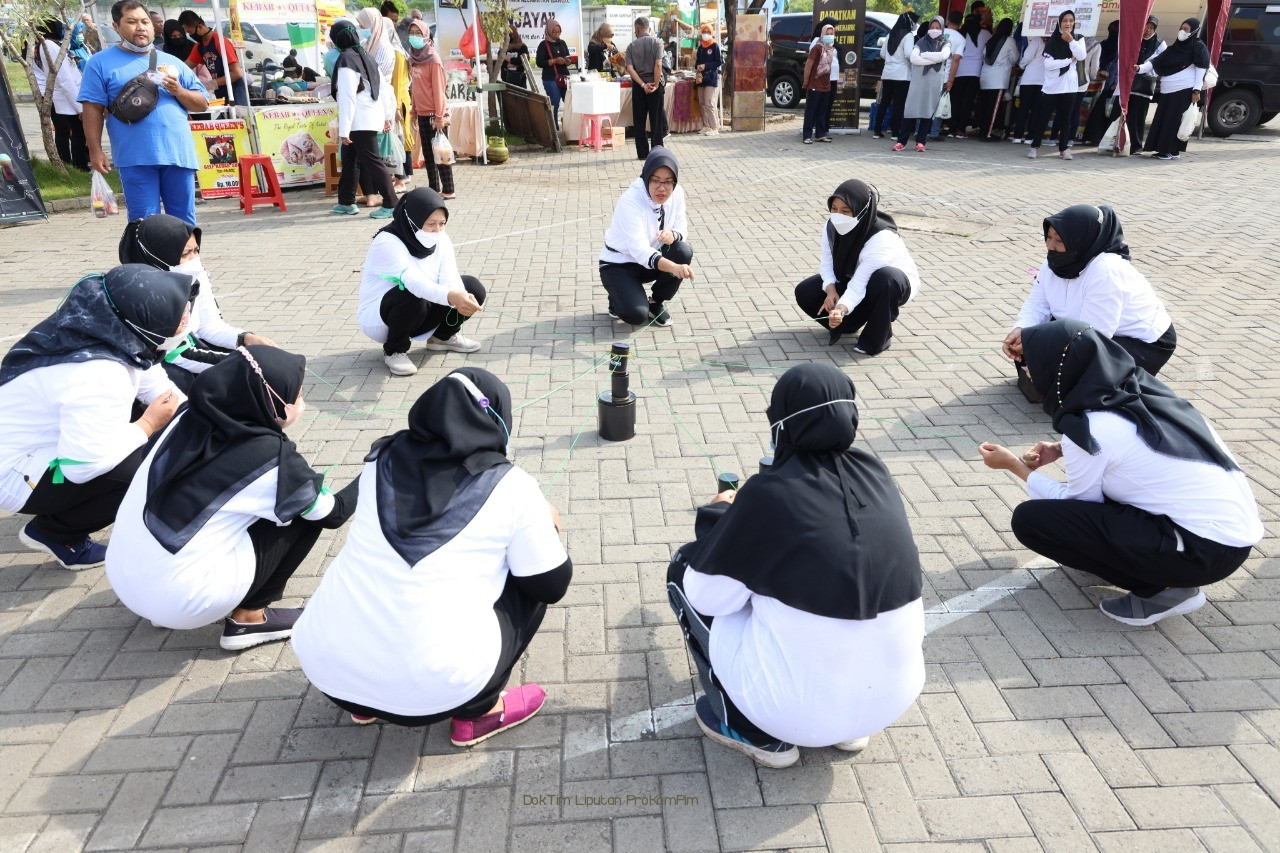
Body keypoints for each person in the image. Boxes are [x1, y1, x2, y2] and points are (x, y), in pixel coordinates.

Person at [668, 363, 924, 767]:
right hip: (892, 701)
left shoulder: (769, 493)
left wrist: (724, 520)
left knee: (683, 569)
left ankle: (749, 730)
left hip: (797, 717)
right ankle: (850, 729)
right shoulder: (877, 474)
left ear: (781, 425)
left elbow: (706, 596)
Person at [293, 369, 571, 735]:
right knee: (536, 571)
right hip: (435, 691)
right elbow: (552, 586)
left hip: (325, 669)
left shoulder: (380, 459)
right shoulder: (512, 485)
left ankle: (362, 706)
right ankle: (479, 712)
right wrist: (547, 526)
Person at [980, 321, 1263, 627]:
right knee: (1099, 506)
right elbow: (1133, 443)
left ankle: (1160, 591)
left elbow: (1077, 505)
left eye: (1031, 364)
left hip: (1203, 551)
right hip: (1230, 536)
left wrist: (1015, 466)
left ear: (1057, 369)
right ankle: (1143, 561)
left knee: (1031, 521)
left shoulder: (1088, 430)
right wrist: (1061, 449)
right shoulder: (1140, 388)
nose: (1027, 372)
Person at [106, 346, 358, 650]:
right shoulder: (268, 457)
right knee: (301, 507)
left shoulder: (188, 415)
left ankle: (162, 607)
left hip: (123, 578)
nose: (299, 402)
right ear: (270, 401)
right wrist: (378, 470)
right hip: (183, 601)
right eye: (296, 395)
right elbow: (333, 514)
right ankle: (249, 619)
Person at [0, 266, 191, 569]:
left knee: (162, 432)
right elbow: (81, 466)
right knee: (147, 468)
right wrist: (147, 425)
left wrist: (204, 422)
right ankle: (57, 534)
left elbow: (159, 388)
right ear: (145, 317)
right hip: (13, 474)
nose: (185, 324)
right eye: (178, 318)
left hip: (35, 443)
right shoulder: (99, 373)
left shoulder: (103, 328)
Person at [1002, 204, 1176, 379]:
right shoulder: (1052, 264)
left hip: (1141, 342)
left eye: (1060, 240)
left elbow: (1094, 336)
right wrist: (1021, 330)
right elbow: (1037, 305)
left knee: (1079, 376)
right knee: (1030, 350)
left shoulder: (1106, 272)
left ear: (1080, 240)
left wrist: (1045, 357)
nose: (1050, 246)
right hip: (1086, 330)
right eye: (1048, 237)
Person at [78, 0, 209, 226]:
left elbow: (202, 103)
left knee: (184, 223)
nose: (140, 27)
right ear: (116, 26)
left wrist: (178, 90)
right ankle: (147, 252)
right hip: (134, 157)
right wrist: (95, 150)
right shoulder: (100, 63)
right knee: (144, 223)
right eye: (132, 22)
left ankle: (185, 252)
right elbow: (92, 108)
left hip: (178, 154)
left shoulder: (172, 62)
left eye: (145, 22)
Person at [118, 214, 278, 392]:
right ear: (158, 256)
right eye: (185, 254)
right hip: (151, 360)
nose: (194, 260)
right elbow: (178, 353)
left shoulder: (193, 274)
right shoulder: (145, 292)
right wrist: (244, 363)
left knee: (249, 358)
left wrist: (245, 338)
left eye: (196, 250)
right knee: (183, 379)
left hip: (186, 346)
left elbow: (209, 326)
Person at [358, 189, 485, 376]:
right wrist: (451, 296)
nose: (438, 229)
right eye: (431, 224)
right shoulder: (386, 241)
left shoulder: (441, 237)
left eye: (442, 223)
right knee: (411, 295)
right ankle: (394, 350)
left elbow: (449, 274)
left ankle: (442, 337)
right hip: (383, 316)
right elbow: (412, 280)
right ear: (413, 219)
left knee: (472, 288)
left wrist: (460, 296)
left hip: (422, 304)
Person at [794, 179, 921, 354]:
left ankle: (876, 339)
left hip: (890, 284)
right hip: (854, 278)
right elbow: (827, 265)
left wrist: (840, 308)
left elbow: (859, 284)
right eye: (834, 209)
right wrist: (830, 291)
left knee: (884, 278)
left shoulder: (882, 238)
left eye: (845, 211)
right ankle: (847, 324)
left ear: (861, 210)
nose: (838, 215)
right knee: (805, 291)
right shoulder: (831, 227)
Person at [599, 148, 694, 327]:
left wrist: (672, 234)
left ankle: (656, 302)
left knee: (683, 250)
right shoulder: (631, 200)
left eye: (668, 181)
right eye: (655, 180)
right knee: (636, 315)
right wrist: (673, 268)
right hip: (619, 264)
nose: (662, 188)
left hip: (648, 262)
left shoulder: (677, 192)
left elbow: (682, 228)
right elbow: (640, 251)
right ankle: (616, 297)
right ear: (646, 177)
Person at [330, 19, 397, 219]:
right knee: (350, 160)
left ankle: (391, 203)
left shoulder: (346, 60)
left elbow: (347, 97)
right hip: (369, 115)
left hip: (359, 120)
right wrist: (386, 115)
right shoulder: (365, 55)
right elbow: (384, 89)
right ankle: (346, 202)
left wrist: (344, 129)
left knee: (372, 161)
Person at [357, 7, 412, 194]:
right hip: (375, 99)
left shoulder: (385, 49)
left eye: (363, 25)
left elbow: (377, 78)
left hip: (382, 100)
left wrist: (391, 110)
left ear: (373, 24)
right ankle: (384, 185)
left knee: (388, 144)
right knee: (382, 145)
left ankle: (399, 180)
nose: (361, 29)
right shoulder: (370, 44)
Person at [1141, 18, 1209, 161]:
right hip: (1167, 92)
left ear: (1194, 31)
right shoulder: (1174, 48)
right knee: (1165, 120)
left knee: (1173, 122)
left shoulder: (1198, 47)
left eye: (1186, 29)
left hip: (1183, 91)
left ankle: (1167, 151)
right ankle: (1170, 150)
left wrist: (1196, 90)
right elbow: (1156, 61)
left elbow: (1201, 68)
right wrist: (1139, 68)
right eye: (1181, 28)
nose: (1182, 31)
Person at [31, 20, 89, 171]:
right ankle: (79, 166)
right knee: (77, 131)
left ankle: (68, 165)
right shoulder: (49, 45)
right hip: (64, 95)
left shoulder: (41, 46)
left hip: (59, 95)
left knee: (65, 131)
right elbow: (64, 77)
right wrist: (79, 106)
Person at [1027, 10, 1085, 160]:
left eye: (1071, 20)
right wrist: (1069, 61)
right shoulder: (1052, 40)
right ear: (1060, 22)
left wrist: (1071, 41)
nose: (1068, 23)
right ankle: (1034, 147)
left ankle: (1064, 149)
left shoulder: (1078, 38)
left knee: (1066, 120)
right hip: (1052, 86)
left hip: (1069, 86)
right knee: (1043, 118)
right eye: (1065, 20)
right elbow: (1048, 65)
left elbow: (1081, 56)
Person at [407, 20, 454, 199]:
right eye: (412, 33)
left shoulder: (433, 59)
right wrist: (414, 111)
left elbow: (439, 91)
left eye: (418, 33)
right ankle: (434, 189)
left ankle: (448, 190)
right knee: (428, 155)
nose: (414, 36)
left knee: (441, 154)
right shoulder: (414, 58)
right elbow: (415, 88)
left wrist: (440, 117)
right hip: (422, 114)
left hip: (435, 115)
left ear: (426, 35)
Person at [894, 18, 951, 152]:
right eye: (932, 27)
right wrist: (933, 60)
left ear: (942, 28)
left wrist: (924, 55)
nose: (934, 30)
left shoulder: (946, 42)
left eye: (937, 27)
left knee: (927, 110)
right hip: (918, 80)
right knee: (910, 110)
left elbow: (943, 56)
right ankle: (901, 141)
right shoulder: (921, 41)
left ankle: (921, 141)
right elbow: (914, 58)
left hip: (934, 82)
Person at [178, 11, 249, 106]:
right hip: (221, 93)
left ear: (200, 27)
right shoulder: (199, 46)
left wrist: (211, 83)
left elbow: (237, 73)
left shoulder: (220, 41)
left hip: (235, 93)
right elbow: (184, 66)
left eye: (190, 32)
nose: (190, 35)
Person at [626, 17, 666, 159]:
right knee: (656, 121)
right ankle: (657, 152)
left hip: (639, 86)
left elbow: (629, 68)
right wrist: (655, 84)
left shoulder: (631, 46)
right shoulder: (658, 42)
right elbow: (658, 65)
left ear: (637, 29)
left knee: (639, 121)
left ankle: (642, 153)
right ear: (649, 28)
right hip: (655, 85)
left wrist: (643, 85)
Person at [873, 12, 917, 139]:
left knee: (884, 102)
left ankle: (877, 131)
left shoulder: (890, 34)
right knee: (898, 104)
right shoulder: (908, 35)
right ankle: (895, 133)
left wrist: (891, 60)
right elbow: (908, 54)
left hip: (887, 73)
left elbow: (882, 53)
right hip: (902, 75)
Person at [1126, 16, 1165, 155]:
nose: (1147, 30)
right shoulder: (1135, 39)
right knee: (1126, 115)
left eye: (1151, 28)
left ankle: (1136, 146)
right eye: (1145, 27)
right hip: (1129, 83)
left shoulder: (1160, 44)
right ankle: (1122, 143)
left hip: (1144, 86)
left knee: (1138, 116)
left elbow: (1158, 63)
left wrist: (1141, 68)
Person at [977, 18, 1017, 139]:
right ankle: (988, 133)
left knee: (984, 107)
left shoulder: (991, 39)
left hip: (985, 78)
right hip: (998, 79)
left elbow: (984, 55)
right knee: (993, 108)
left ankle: (982, 131)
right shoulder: (1009, 40)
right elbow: (1015, 58)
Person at [949, 13, 988, 136]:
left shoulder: (960, 33)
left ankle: (951, 128)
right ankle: (961, 129)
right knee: (967, 101)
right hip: (975, 72)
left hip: (958, 71)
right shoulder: (985, 33)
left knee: (955, 100)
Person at [1082, 20, 1119, 145]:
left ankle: (1094, 137)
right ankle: (1100, 138)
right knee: (1107, 111)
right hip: (1112, 83)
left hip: (1104, 81)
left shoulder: (1104, 43)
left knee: (1100, 110)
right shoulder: (1120, 46)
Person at [801, 24, 838, 144]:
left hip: (826, 85)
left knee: (822, 112)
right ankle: (807, 135)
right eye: (827, 34)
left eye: (832, 34)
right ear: (822, 34)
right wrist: (806, 81)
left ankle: (820, 134)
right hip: (815, 84)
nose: (830, 36)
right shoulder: (817, 47)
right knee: (811, 111)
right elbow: (809, 65)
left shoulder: (831, 49)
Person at [1011, 30, 1046, 143]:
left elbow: (1027, 57)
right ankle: (1030, 137)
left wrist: (1020, 66)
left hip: (1029, 79)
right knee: (1036, 110)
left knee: (1023, 108)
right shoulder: (1056, 42)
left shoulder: (1038, 40)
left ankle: (1017, 136)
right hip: (1044, 80)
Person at [536, 19, 572, 128]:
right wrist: (554, 61)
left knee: (568, 101)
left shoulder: (562, 43)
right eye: (554, 32)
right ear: (548, 31)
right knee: (555, 102)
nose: (556, 34)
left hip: (564, 77)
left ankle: (568, 125)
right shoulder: (543, 45)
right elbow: (539, 62)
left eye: (558, 32)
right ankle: (554, 127)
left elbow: (568, 56)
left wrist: (568, 61)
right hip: (550, 78)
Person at [694, 24, 722, 134]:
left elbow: (718, 62)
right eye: (704, 32)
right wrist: (698, 66)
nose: (706, 34)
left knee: (709, 102)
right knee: (702, 102)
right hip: (701, 78)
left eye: (708, 32)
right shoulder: (700, 48)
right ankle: (706, 125)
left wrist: (705, 66)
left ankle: (714, 127)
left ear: (711, 33)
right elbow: (697, 62)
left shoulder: (715, 45)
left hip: (711, 77)